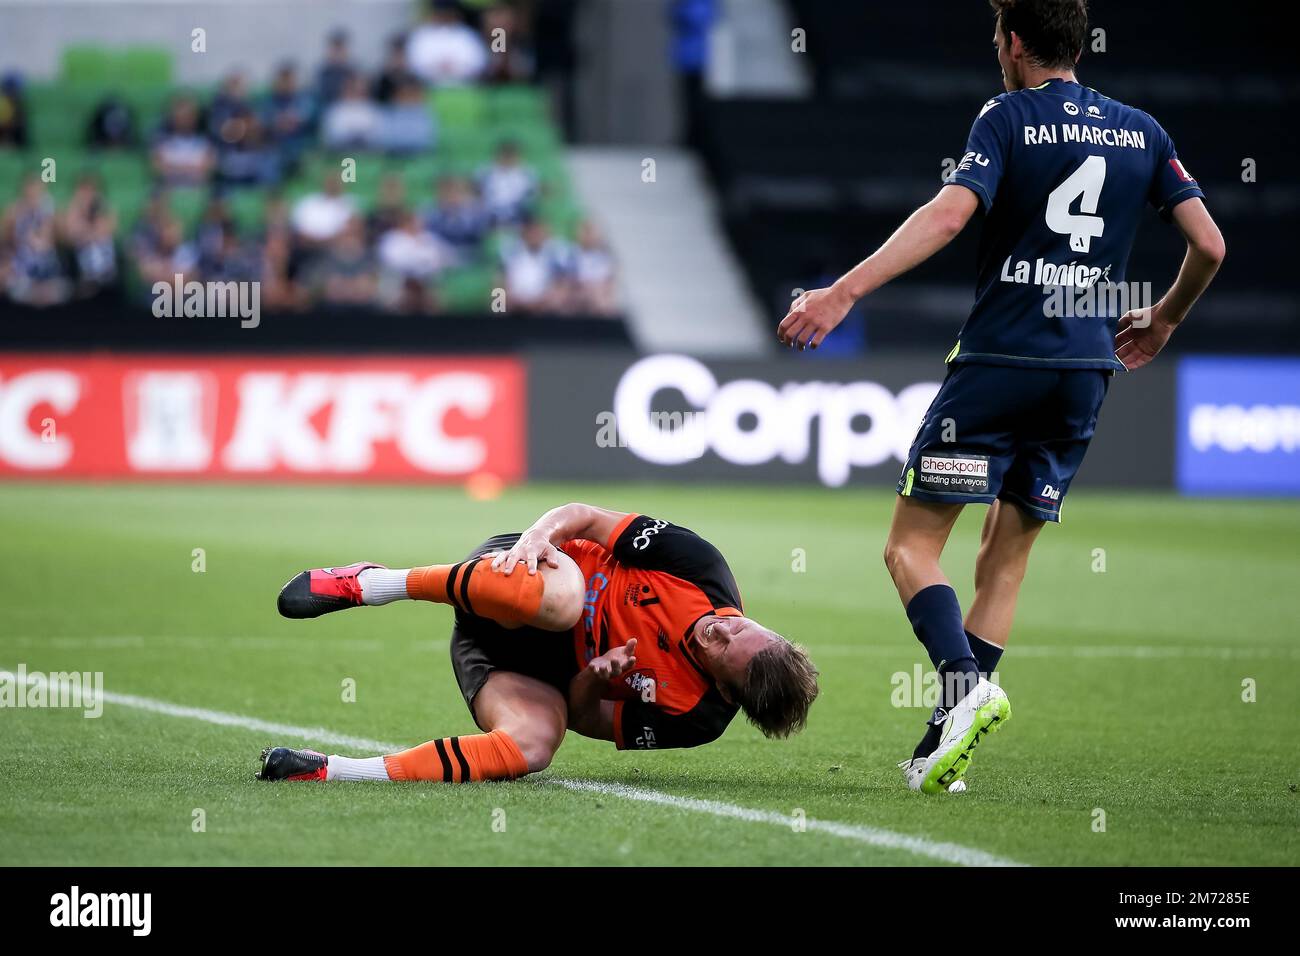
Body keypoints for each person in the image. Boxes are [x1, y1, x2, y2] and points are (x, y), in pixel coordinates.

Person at [775, 0, 1224, 795]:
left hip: (998, 363)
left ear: (1015, 43)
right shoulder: (1141, 131)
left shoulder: (1007, 115)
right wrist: (1162, 321)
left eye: (996, 39)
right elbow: (1210, 244)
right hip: (1084, 372)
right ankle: (944, 750)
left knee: (910, 548)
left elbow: (951, 215)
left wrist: (843, 292)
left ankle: (963, 684)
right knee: (1003, 565)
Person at [259, 503, 819, 782]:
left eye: (724, 646)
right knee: (563, 606)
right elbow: (585, 517)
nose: (720, 627)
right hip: (527, 572)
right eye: (741, 625)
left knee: (535, 748)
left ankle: (333, 770)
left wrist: (595, 678)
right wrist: (535, 537)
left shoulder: (696, 716)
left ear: (726, 686)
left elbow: (581, 717)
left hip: (507, 662)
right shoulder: (702, 569)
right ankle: (374, 583)